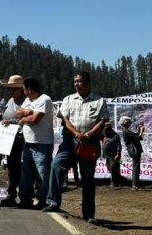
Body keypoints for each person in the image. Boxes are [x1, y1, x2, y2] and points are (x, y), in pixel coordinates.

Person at [43, 71, 108, 225]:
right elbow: (65, 119)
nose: (77, 84)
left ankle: (88, 213)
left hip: (89, 143)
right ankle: (53, 202)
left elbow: (103, 121)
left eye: (79, 81)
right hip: (69, 141)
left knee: (87, 178)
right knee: (56, 165)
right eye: (75, 82)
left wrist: (89, 134)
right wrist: (77, 133)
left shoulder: (99, 101)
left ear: (88, 82)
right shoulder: (68, 99)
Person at [15, 77, 54, 210]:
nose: (24, 92)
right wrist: (27, 112)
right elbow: (17, 113)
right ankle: (25, 199)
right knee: (26, 173)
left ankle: (43, 199)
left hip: (42, 143)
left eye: (24, 89)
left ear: (29, 89)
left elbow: (35, 119)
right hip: (28, 142)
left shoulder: (45, 99)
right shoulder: (28, 100)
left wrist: (23, 118)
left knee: (43, 173)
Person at [0, 75, 27, 206]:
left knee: (20, 168)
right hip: (11, 139)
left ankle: (24, 195)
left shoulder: (26, 102)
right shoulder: (10, 101)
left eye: (14, 88)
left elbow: (25, 119)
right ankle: (11, 194)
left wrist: (10, 121)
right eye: (10, 89)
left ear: (21, 89)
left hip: (22, 138)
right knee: (12, 167)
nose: (11, 91)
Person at [119, 116, 144, 190]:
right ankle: (134, 185)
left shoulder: (126, 131)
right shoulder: (126, 131)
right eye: (129, 122)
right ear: (125, 122)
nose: (130, 123)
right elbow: (139, 137)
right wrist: (141, 130)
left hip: (135, 150)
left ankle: (135, 184)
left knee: (136, 166)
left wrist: (139, 129)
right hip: (135, 150)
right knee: (136, 167)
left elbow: (136, 136)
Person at [101, 122, 122, 187]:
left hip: (113, 155)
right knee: (109, 167)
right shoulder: (104, 134)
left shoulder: (115, 136)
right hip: (107, 155)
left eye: (107, 129)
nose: (105, 130)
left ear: (110, 128)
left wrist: (118, 154)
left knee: (113, 168)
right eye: (104, 129)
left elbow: (119, 145)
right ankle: (118, 180)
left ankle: (114, 183)